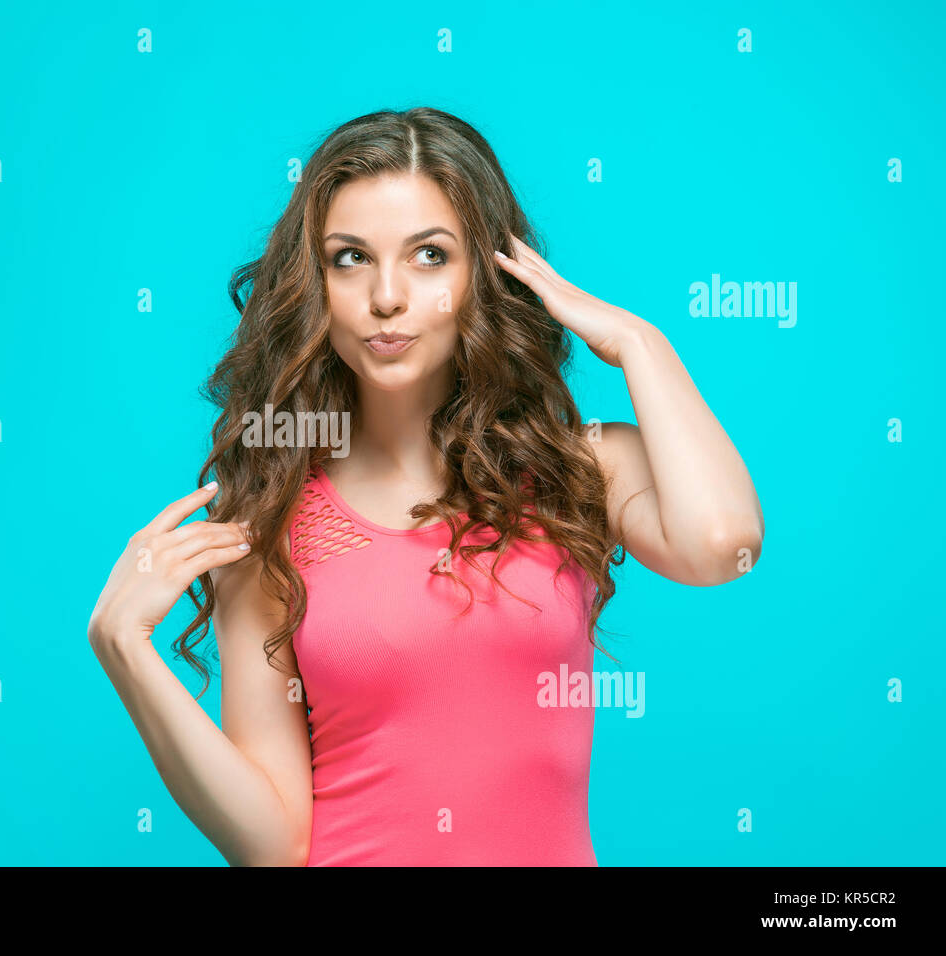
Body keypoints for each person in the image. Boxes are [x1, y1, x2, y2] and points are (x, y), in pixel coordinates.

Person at [87, 107, 764, 866]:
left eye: (429, 256)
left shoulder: (580, 469)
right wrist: (126, 651)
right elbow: (273, 846)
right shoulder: (273, 523)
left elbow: (721, 546)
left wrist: (641, 344)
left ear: (486, 273)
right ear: (315, 284)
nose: (386, 295)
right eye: (350, 258)